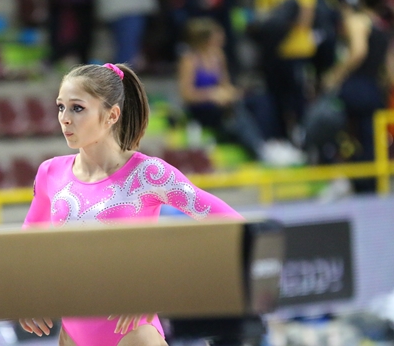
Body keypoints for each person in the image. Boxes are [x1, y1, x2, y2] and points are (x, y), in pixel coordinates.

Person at [19, 63, 244, 346]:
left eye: (77, 108)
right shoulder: (50, 173)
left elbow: (235, 227)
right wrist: (26, 294)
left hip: (133, 336)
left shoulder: (149, 174)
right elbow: (27, 246)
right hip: (72, 336)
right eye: (61, 107)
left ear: (112, 115)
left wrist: (156, 288)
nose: (64, 118)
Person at [179, 17, 305, 166]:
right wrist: (212, 95)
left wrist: (234, 93)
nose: (222, 38)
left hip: (223, 104)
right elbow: (187, 95)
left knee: (261, 100)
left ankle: (273, 141)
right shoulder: (190, 60)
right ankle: (260, 150)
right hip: (204, 109)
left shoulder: (218, 56)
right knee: (236, 112)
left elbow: (225, 85)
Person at [321, 0, 393, 193]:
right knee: (371, 140)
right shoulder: (382, 27)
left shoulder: (358, 20)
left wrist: (335, 74)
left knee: (345, 135)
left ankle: (346, 179)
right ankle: (371, 186)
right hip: (374, 89)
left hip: (356, 86)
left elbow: (358, 51)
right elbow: (389, 69)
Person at [250, 0, 319, 142]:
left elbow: (305, 18)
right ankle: (280, 139)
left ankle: (305, 138)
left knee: (298, 98)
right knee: (275, 97)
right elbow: (261, 17)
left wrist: (278, 22)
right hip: (273, 50)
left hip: (297, 49)